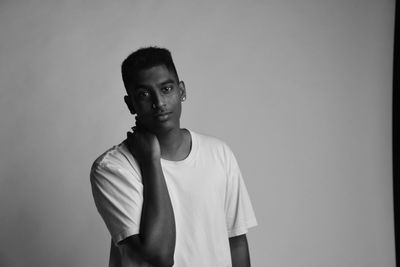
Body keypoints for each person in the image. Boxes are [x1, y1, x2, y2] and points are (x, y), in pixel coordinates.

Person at [90, 47, 257, 267]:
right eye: (144, 94)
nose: (159, 103)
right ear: (130, 104)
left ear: (182, 91)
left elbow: (235, 241)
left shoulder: (218, 153)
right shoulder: (113, 168)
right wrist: (151, 162)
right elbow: (159, 257)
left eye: (166, 89)